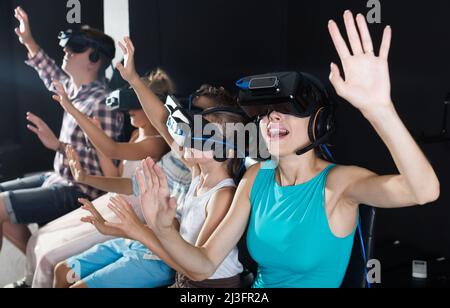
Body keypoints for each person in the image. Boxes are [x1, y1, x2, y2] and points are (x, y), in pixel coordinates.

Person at [137, 11, 440, 288]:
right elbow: (203, 265)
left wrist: (380, 109)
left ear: (319, 124)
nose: (272, 117)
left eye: (286, 108)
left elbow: (423, 191)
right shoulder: (256, 177)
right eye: (266, 111)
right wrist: (163, 229)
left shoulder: (339, 184)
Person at [52, 38, 248, 288]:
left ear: (226, 145)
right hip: (182, 274)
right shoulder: (198, 171)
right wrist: (133, 78)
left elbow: (197, 267)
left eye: (199, 132)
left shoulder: (223, 195)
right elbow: (162, 119)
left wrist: (136, 230)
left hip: (206, 286)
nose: (184, 136)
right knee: (63, 273)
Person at [5, 71, 181, 288]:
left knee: (52, 255)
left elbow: (114, 149)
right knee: (40, 237)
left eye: (136, 102)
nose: (128, 110)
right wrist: (86, 168)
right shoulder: (136, 134)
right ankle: (31, 282)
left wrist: (71, 109)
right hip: (113, 198)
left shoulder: (157, 143)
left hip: (131, 209)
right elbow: (115, 175)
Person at [0, 7, 123, 257]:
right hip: (56, 176)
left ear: (95, 59)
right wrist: (28, 41)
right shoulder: (73, 89)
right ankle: (39, 272)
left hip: (79, 190)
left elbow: (107, 168)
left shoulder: (102, 105)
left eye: (76, 47)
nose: (66, 50)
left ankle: (40, 274)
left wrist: (60, 146)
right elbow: (49, 73)